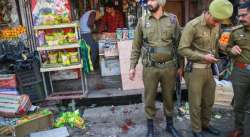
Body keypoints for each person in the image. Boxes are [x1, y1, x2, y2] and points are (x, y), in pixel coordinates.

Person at [178, 0, 233, 137]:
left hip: (210, 70)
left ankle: (205, 124)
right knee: (195, 103)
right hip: (195, 70)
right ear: (207, 12)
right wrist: (202, 57)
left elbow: (217, 44)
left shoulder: (216, 25)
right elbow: (182, 49)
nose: (216, 24)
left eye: (219, 21)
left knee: (208, 101)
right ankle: (197, 130)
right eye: (215, 20)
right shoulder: (192, 26)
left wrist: (226, 48)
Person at [129, 0, 183, 137]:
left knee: (169, 98)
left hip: (169, 67)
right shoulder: (142, 21)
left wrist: (181, 66)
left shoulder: (172, 19)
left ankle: (170, 126)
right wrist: (132, 67)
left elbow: (179, 44)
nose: (149, 2)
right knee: (149, 98)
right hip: (150, 69)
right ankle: (150, 128)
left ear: (160, 2)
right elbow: (136, 46)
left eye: (152, 0)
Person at [226, 1, 250, 137]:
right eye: (239, 16)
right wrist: (231, 50)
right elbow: (224, 47)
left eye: (244, 15)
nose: (240, 18)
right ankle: (238, 129)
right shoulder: (235, 32)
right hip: (241, 72)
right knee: (239, 104)